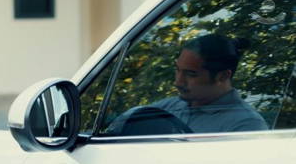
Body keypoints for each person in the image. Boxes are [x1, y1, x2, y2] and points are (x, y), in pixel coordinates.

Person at [108, 34, 268, 135]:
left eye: (191, 74)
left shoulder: (246, 125)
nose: (178, 81)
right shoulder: (169, 107)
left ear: (223, 76)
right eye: (178, 70)